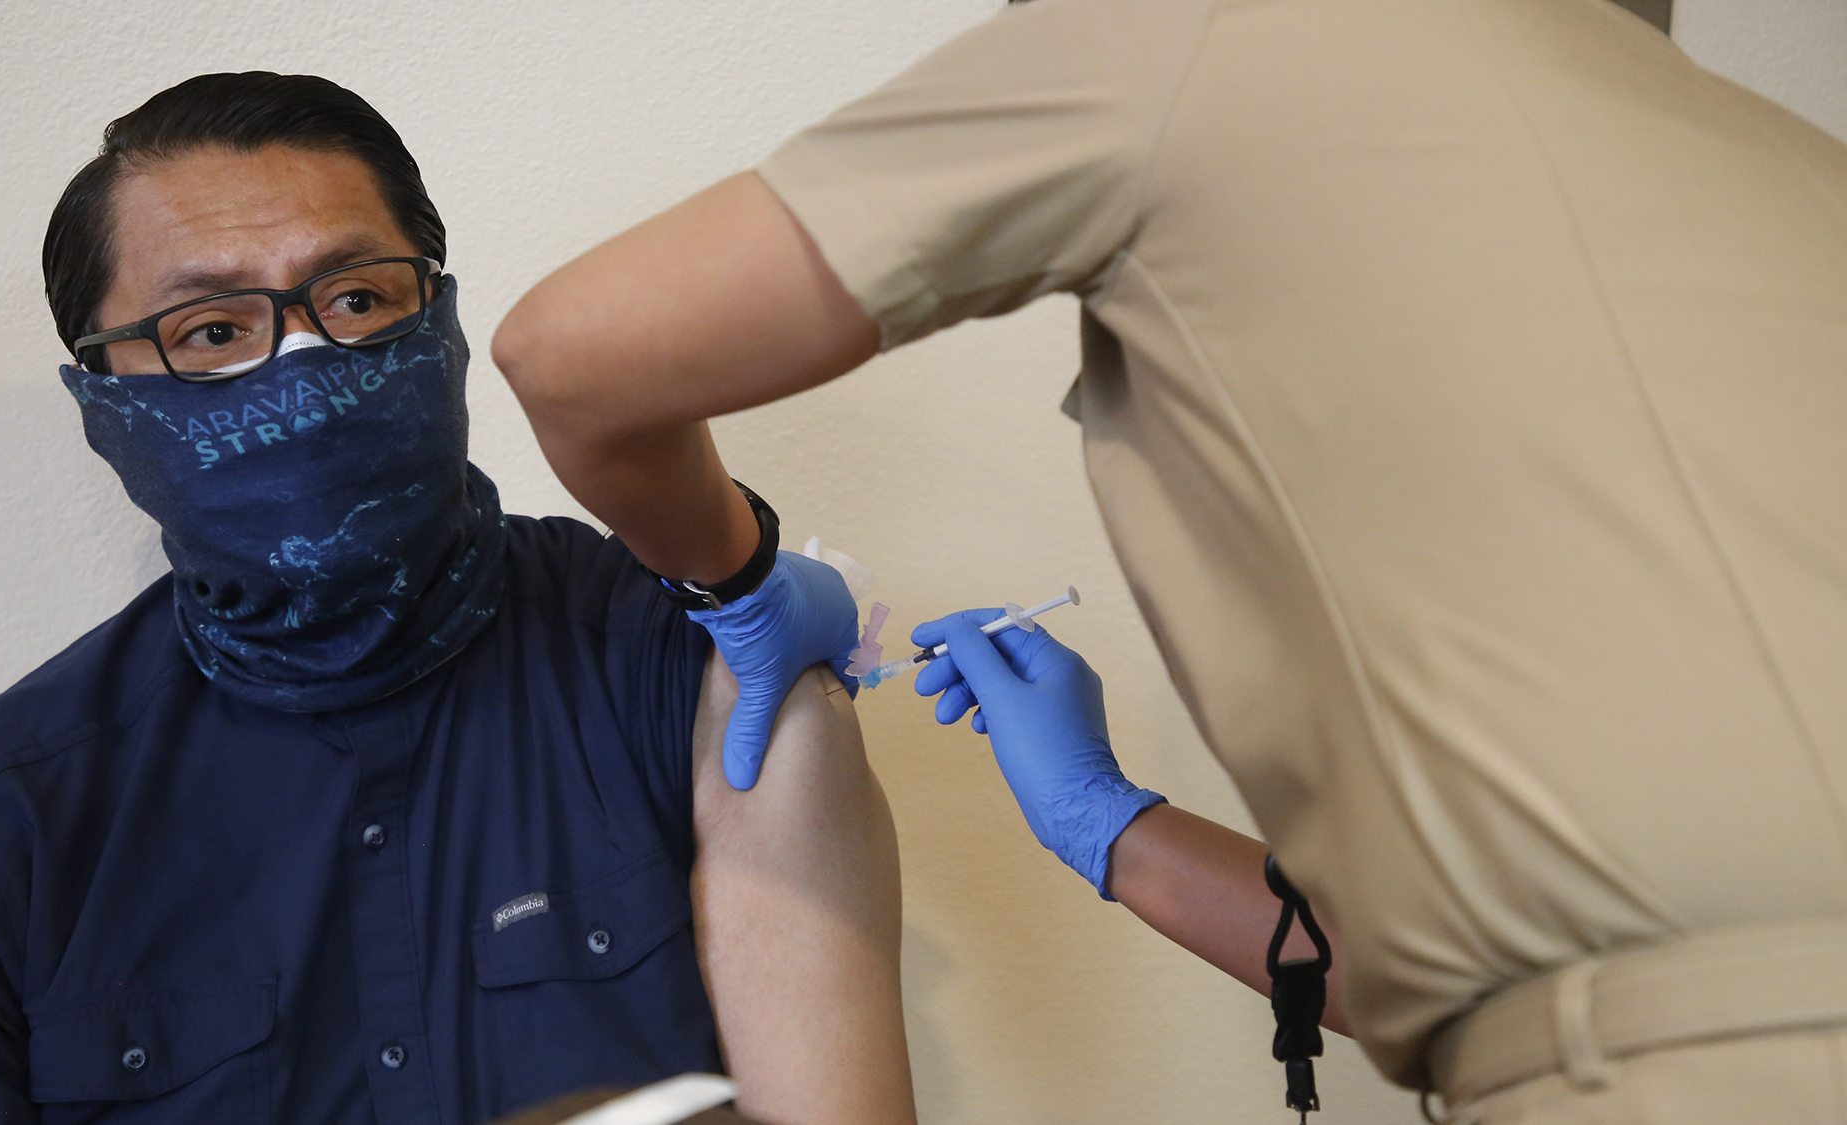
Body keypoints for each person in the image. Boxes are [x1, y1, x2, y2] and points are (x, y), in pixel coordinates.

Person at [490, 0, 1847, 1121]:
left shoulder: (1227, 32)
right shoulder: (1786, 173)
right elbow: (1433, 971)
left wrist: (737, 579)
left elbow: (573, 355)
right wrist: (1105, 817)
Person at [0, 72, 916, 1125]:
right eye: (212, 330)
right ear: (104, 399)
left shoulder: (689, 665)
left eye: (357, 298)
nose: (308, 363)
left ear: (436, 315)